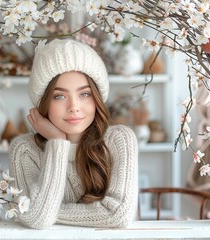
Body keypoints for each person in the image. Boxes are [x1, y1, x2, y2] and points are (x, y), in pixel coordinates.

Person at [9, 39, 138, 229]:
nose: (74, 107)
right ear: (44, 103)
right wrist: (58, 143)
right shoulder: (24, 151)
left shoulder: (119, 140)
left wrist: (48, 211)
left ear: (97, 99)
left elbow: (118, 215)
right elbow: (37, 220)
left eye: (84, 94)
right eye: (59, 96)